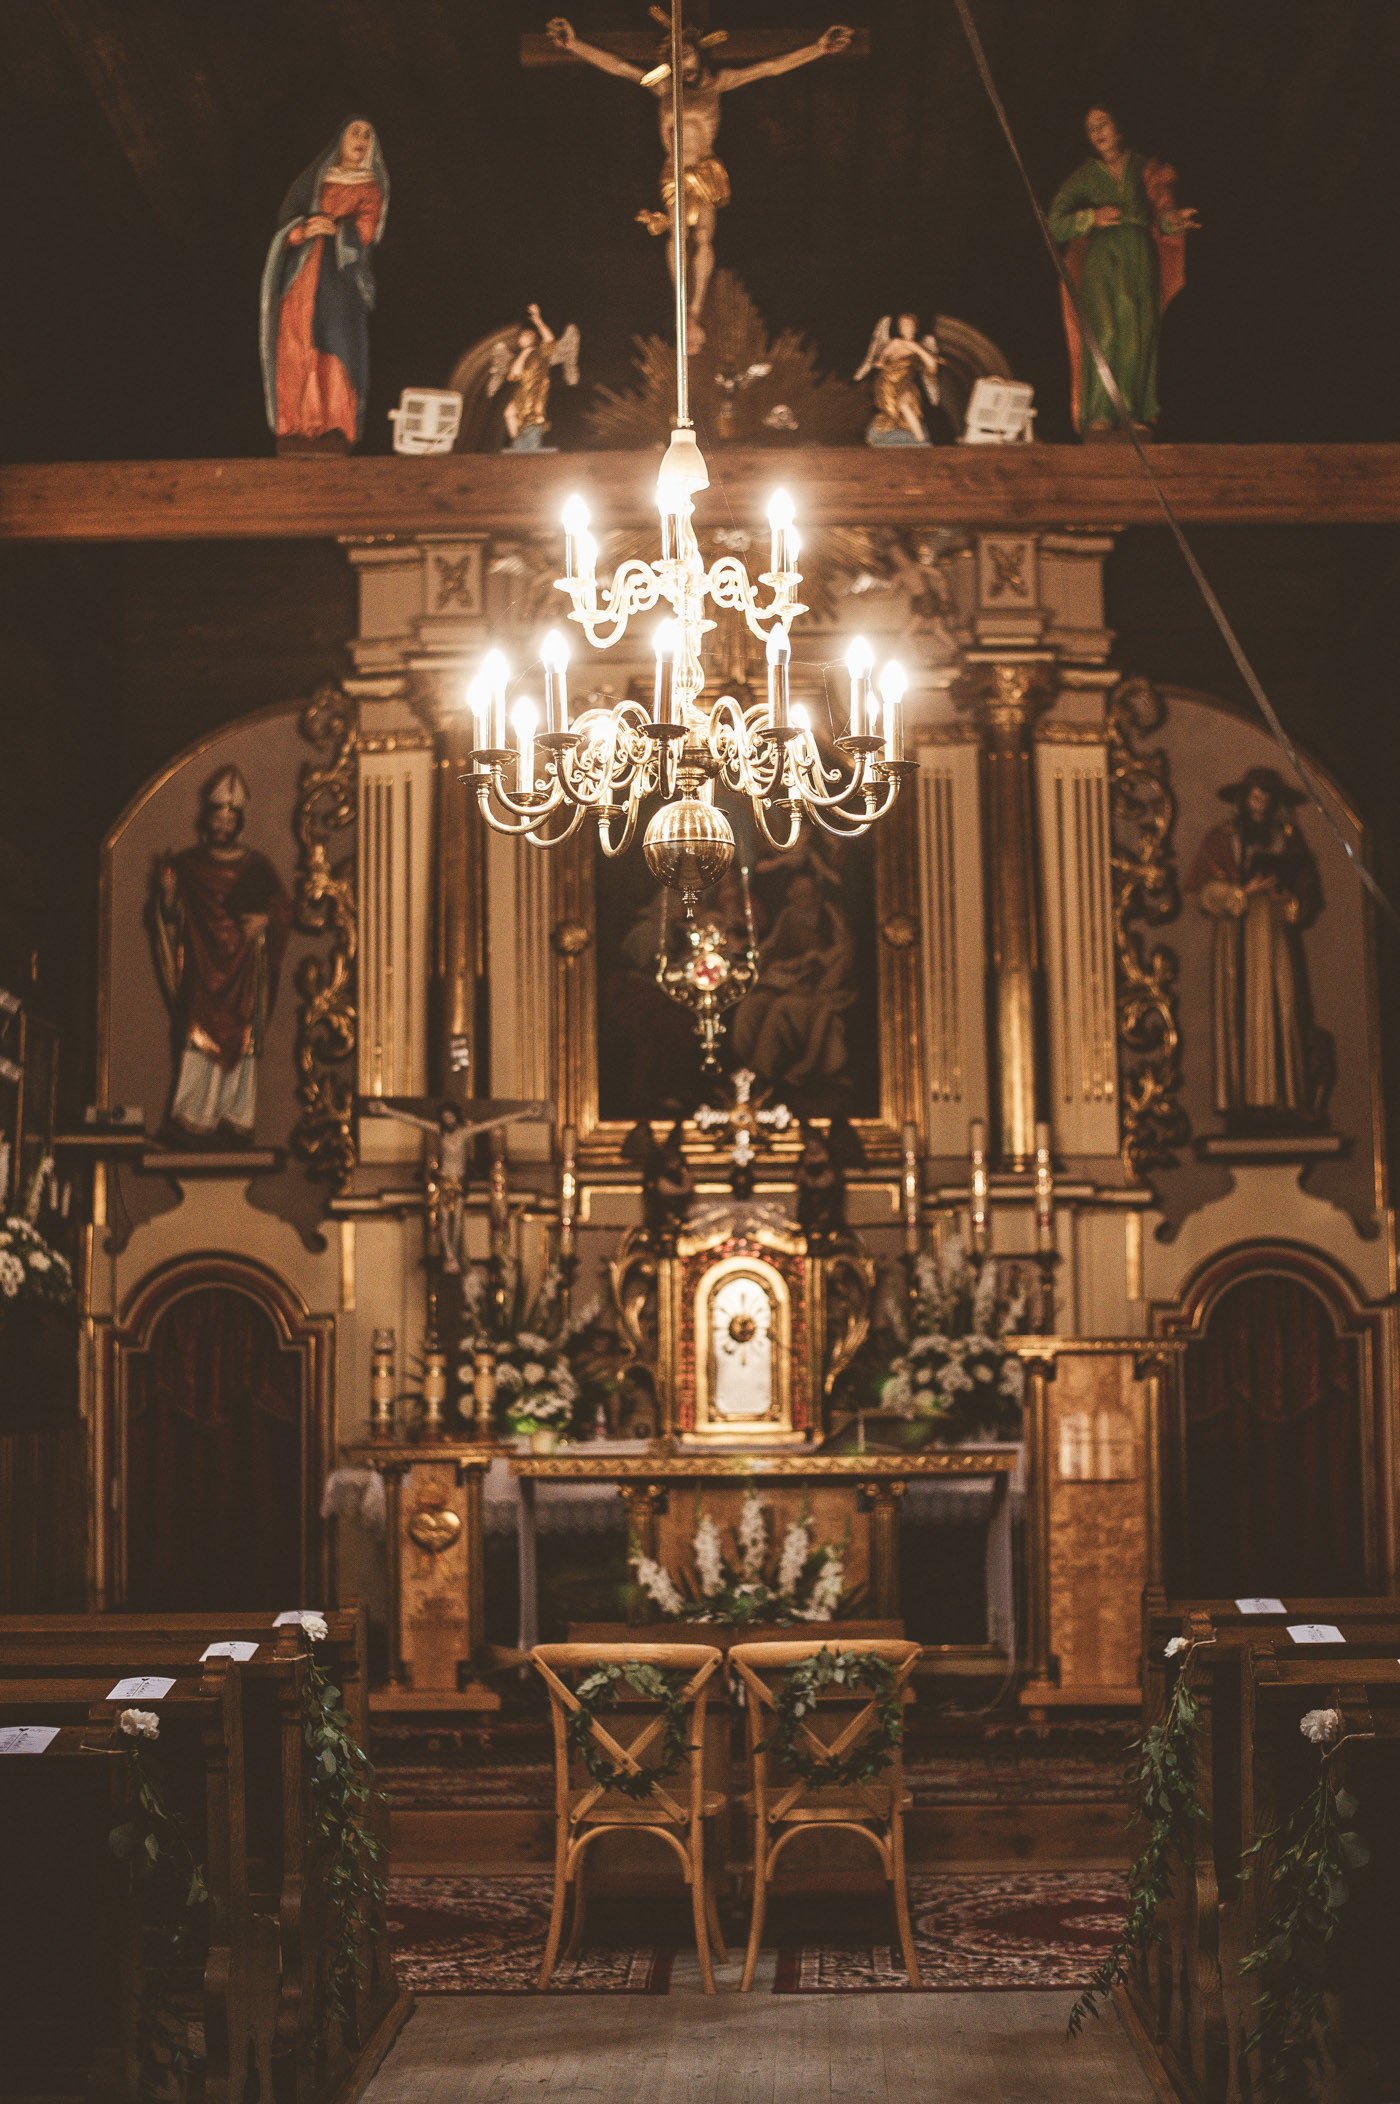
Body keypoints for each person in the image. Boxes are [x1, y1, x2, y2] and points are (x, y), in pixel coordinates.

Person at [546, 15, 851, 344]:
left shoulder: (718, 83)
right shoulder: (663, 86)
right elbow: (619, 67)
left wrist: (819, 49)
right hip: (673, 169)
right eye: (675, 57)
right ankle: (680, 302)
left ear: (699, 54)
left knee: (704, 236)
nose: (683, 62)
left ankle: (696, 306)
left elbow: (769, 67)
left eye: (687, 53)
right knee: (677, 235)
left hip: (706, 168)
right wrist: (573, 44)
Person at [150, 768, 293, 1142]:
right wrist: (168, 893)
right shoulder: (188, 865)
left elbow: (283, 909)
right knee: (196, 1041)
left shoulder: (256, 865)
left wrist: (266, 919)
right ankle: (190, 1117)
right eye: (218, 818)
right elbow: (170, 919)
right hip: (203, 966)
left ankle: (234, 1118)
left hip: (244, 968)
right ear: (207, 819)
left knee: (243, 1045)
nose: (224, 825)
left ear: (238, 823)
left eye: (230, 820)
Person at [1186, 766, 1331, 1123]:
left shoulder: (1288, 837)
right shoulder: (1222, 838)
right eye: (1255, 793)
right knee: (1241, 1010)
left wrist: (1289, 897)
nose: (1261, 800)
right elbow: (1201, 890)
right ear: (1243, 797)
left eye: (1267, 794)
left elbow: (1306, 888)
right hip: (1237, 933)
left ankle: (1286, 1098)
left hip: (1276, 930)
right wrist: (1241, 892)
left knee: (1283, 1004)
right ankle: (1244, 1102)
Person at [1047, 106, 1197, 436]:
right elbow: (1054, 223)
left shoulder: (1145, 168)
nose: (1097, 133)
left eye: (1102, 124)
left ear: (1119, 127)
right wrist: (1090, 218)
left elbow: (1161, 213)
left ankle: (1130, 413)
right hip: (1102, 256)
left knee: (1136, 330)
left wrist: (1172, 221)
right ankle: (1099, 414)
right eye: (1091, 129)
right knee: (1104, 329)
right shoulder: (1085, 176)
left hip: (1140, 254)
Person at [259, 117, 388, 450]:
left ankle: (333, 423)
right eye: (355, 132)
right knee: (295, 342)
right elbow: (287, 223)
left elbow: (367, 229)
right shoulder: (314, 179)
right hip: (301, 277)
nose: (360, 140)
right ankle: (295, 423)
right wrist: (304, 229)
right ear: (340, 138)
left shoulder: (370, 186)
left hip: (339, 280)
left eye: (367, 135)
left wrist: (340, 230)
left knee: (336, 345)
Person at [730, 871, 856, 1093]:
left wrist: (815, 979)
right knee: (751, 1006)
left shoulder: (831, 915)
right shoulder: (788, 915)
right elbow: (771, 947)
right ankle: (741, 1068)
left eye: (807, 893)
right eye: (797, 894)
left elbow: (843, 955)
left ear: (817, 894)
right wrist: (751, 959)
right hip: (792, 983)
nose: (802, 898)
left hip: (823, 991)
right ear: (790, 894)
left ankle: (760, 1075)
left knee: (780, 1008)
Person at [486, 304, 580, 449]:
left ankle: (527, 448)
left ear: (533, 338)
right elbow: (513, 375)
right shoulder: (519, 357)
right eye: (521, 336)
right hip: (522, 392)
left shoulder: (541, 353)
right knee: (509, 412)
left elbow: (549, 339)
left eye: (526, 335)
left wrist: (538, 320)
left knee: (532, 420)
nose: (522, 338)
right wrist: (524, 352)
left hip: (535, 391)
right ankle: (517, 443)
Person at [854, 313, 941, 444]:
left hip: (906, 383)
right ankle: (917, 440)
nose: (907, 328)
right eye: (903, 325)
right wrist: (880, 361)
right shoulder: (895, 342)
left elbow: (932, 365)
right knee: (891, 413)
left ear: (915, 328)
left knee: (905, 405)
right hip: (887, 383)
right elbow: (881, 358)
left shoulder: (918, 346)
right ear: (900, 329)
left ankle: (921, 441)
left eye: (909, 325)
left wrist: (915, 347)